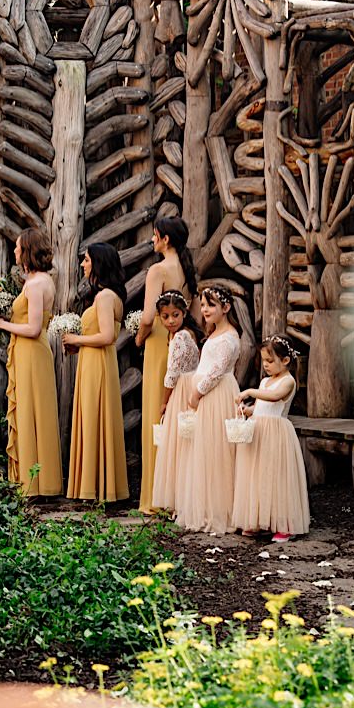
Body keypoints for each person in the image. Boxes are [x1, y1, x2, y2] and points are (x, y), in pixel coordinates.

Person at [0, 229, 64, 496]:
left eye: (18, 248)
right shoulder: (41, 280)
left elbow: (33, 328)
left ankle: (33, 484)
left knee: (32, 412)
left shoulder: (34, 285)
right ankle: (44, 481)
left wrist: (1, 323)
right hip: (32, 352)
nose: (14, 251)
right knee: (36, 413)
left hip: (32, 351)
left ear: (28, 251)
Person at [133, 215, 195, 514]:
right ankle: (179, 493)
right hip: (180, 341)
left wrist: (140, 337)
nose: (152, 240)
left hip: (159, 343)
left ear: (165, 239)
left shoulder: (158, 270)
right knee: (175, 416)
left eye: (154, 235)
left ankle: (156, 497)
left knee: (156, 417)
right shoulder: (187, 271)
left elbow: (147, 316)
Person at [62, 242, 129, 504]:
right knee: (94, 417)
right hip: (95, 360)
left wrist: (77, 340)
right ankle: (100, 483)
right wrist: (78, 347)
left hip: (97, 365)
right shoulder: (110, 296)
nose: (82, 264)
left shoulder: (104, 297)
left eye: (87, 260)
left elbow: (108, 336)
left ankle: (93, 487)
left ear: (98, 263)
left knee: (93, 417)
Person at [230, 336, 310, 541]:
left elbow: (275, 398)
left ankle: (284, 524)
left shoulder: (288, 381)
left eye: (270, 360)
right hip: (258, 433)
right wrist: (246, 410)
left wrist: (248, 391)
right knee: (258, 476)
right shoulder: (265, 381)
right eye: (263, 360)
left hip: (276, 435)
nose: (265, 365)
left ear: (285, 361)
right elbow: (259, 408)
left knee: (276, 477)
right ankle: (258, 520)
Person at [176, 285, 242, 533]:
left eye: (211, 305)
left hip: (217, 395)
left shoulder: (229, 337)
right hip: (207, 396)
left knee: (217, 452)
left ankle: (220, 509)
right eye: (202, 305)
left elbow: (217, 371)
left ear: (225, 308)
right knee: (204, 451)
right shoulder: (214, 334)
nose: (204, 310)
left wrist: (196, 392)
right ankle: (204, 506)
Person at [146, 290, 201, 516]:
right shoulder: (189, 333)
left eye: (175, 315)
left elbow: (172, 373)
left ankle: (178, 502)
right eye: (165, 316)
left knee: (177, 446)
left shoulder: (180, 337)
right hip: (190, 384)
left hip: (181, 389)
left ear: (184, 313)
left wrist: (163, 402)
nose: (170, 321)